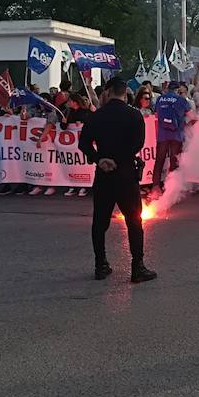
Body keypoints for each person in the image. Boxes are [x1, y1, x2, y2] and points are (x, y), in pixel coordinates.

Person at [78, 76, 156, 283]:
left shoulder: (97, 116)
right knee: (134, 221)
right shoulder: (134, 115)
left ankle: (100, 265)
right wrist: (119, 160)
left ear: (109, 91)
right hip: (126, 174)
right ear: (124, 92)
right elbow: (137, 144)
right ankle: (137, 267)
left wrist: (100, 159)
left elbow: (84, 144)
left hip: (104, 174)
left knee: (99, 221)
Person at [151, 81, 193, 196]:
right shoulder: (181, 100)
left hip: (162, 135)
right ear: (177, 89)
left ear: (168, 89)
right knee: (174, 161)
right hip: (177, 135)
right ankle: (171, 189)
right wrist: (186, 124)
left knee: (159, 160)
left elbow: (155, 114)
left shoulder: (160, 99)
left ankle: (155, 187)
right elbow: (192, 116)